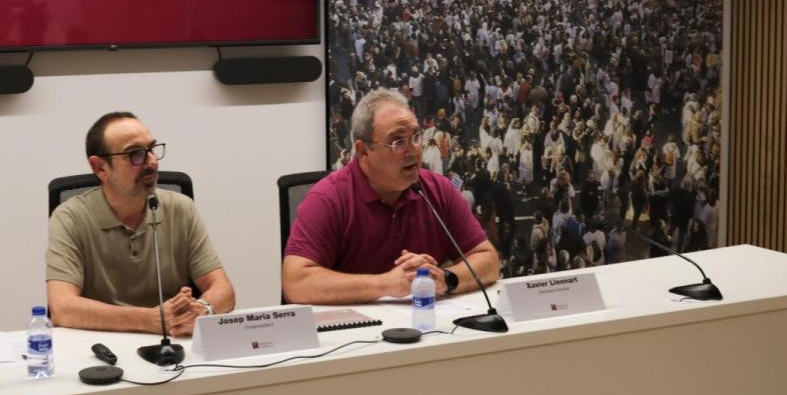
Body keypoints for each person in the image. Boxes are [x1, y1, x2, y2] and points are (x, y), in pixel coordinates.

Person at [282, 89, 499, 304]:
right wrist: (387, 284)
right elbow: (296, 283)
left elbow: (488, 260)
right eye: (397, 141)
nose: (413, 150)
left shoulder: (437, 190)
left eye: (415, 136)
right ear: (363, 151)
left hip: (426, 325)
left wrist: (444, 279)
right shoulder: (328, 198)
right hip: (355, 332)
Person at [46, 112, 235, 336]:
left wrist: (202, 310)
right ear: (100, 168)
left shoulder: (180, 208)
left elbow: (224, 290)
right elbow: (62, 308)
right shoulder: (70, 217)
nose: (152, 162)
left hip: (173, 346)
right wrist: (149, 319)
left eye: (152, 149)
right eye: (135, 154)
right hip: (101, 349)